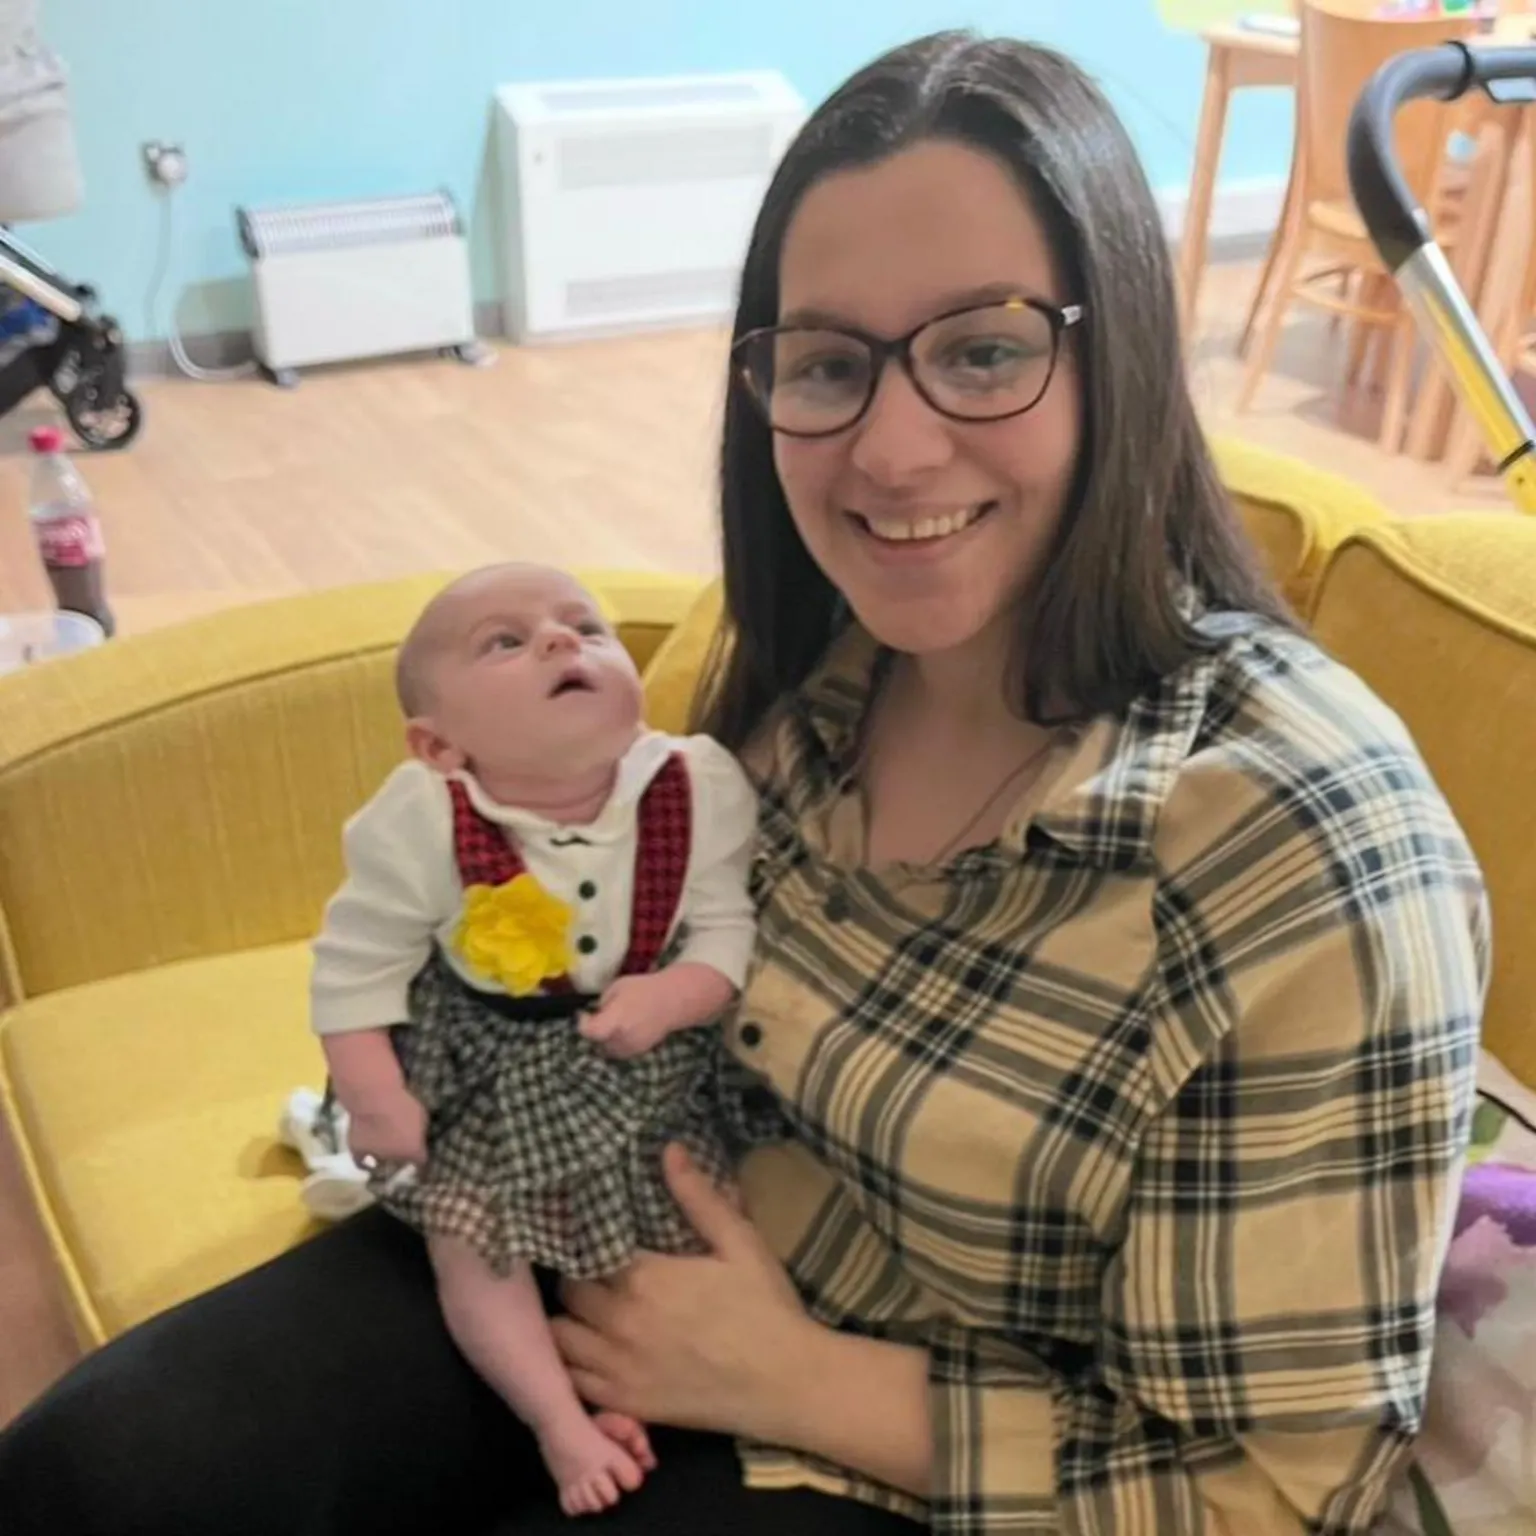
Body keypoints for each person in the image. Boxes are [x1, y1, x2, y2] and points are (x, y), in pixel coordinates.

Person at [0, 28, 1488, 1536]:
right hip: (580, 1224)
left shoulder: (1298, 847)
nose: (893, 451)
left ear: (1121, 364)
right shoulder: (804, 673)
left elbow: (1286, 1489)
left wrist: (794, 1383)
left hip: (910, 1441)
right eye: (831, 365)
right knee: (101, 1472)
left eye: (984, 348)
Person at [305, 562, 766, 1515]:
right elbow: (356, 965)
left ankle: (648, 1383)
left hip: (643, 1051)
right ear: (438, 744)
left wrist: (678, 992)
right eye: (505, 643)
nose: (562, 641)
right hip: (486, 1056)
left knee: (686, 1207)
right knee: (472, 1245)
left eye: (584, 627)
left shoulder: (697, 782)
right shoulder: (421, 819)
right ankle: (555, 1419)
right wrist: (375, 1094)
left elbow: (727, 928)